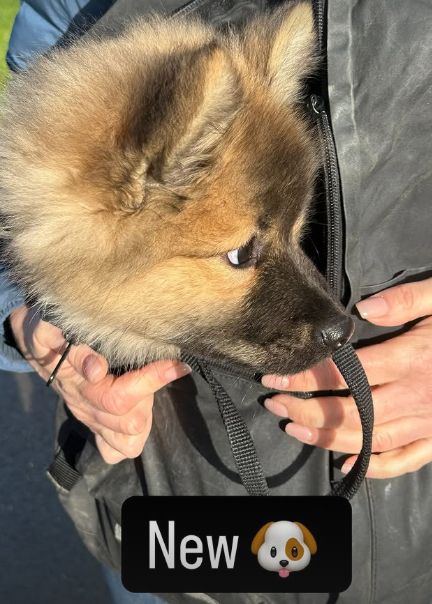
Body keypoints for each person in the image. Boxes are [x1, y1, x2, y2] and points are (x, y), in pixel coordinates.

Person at [1, 0, 432, 602]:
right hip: (170, 483)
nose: (330, 324)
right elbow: (31, 166)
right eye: (240, 254)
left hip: (411, 499)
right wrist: (31, 320)